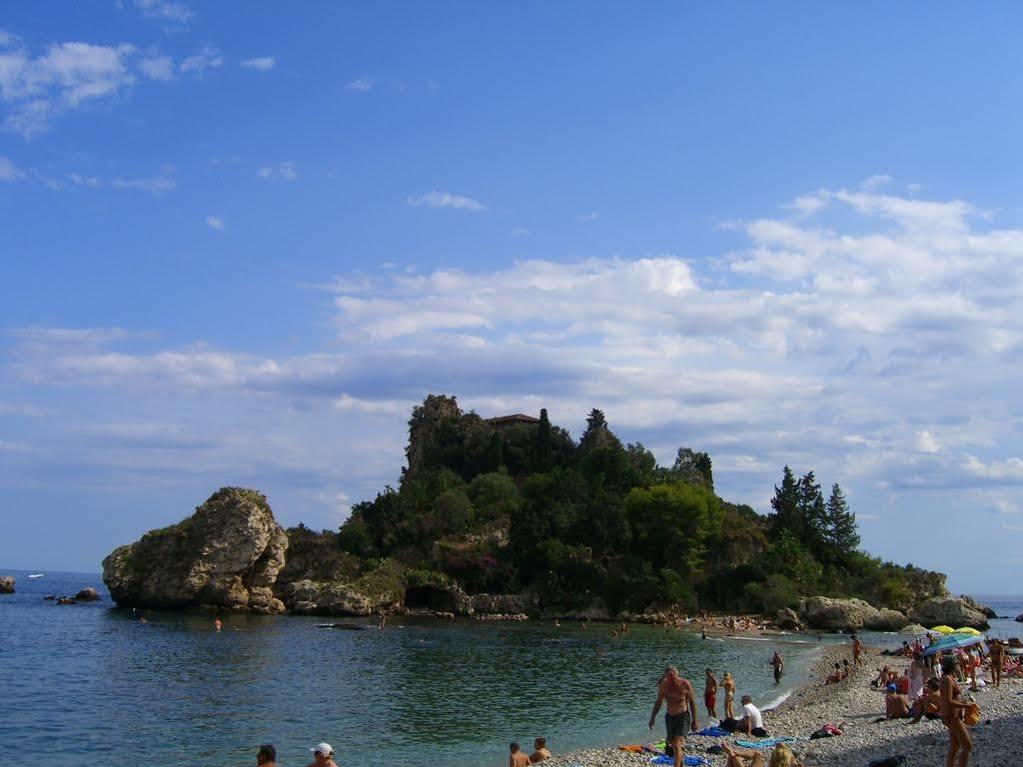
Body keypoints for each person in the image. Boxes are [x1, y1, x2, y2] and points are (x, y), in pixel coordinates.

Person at [649, 666, 698, 767]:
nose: (672, 680)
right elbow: (658, 702)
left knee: (676, 744)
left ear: (677, 675)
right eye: (669, 678)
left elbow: (692, 703)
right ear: (666, 676)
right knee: (673, 745)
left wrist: (694, 721)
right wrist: (652, 718)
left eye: (674, 677)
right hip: (670, 717)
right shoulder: (664, 685)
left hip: (683, 716)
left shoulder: (685, 684)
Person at [940, 656, 974, 767]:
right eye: (956, 664)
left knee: (954, 747)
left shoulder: (949, 678)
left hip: (953, 715)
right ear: (952, 666)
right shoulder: (947, 680)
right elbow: (948, 700)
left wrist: (963, 701)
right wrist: (966, 705)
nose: (958, 665)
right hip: (952, 716)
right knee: (967, 746)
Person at [720, 742, 801, 767]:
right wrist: (785, 749)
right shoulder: (794, 764)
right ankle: (734, 754)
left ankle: (735, 752)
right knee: (735, 758)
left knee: (757, 754)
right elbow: (792, 758)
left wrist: (784, 746)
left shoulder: (772, 765)